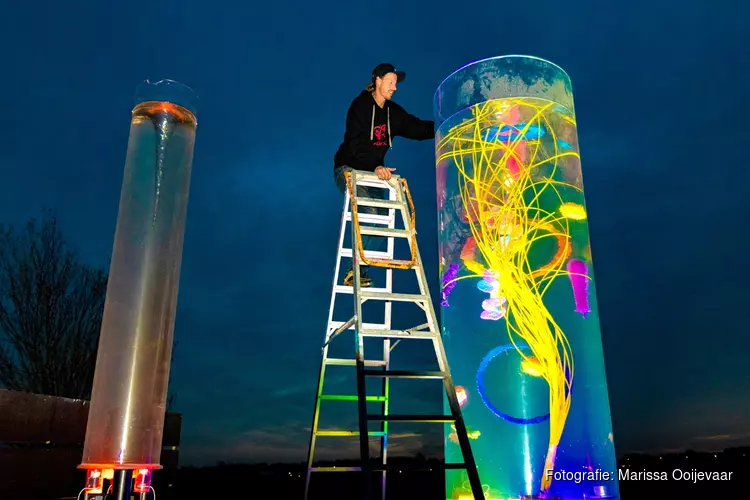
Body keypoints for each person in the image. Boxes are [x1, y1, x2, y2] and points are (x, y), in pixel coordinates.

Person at [333, 63, 435, 287]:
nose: (394, 87)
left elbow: (417, 128)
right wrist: (376, 165)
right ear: (377, 81)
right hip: (347, 168)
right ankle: (356, 269)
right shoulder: (359, 106)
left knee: (385, 217)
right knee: (372, 211)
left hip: (371, 173)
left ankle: (357, 269)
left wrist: (444, 126)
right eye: (391, 82)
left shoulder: (393, 113)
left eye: (396, 84)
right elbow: (355, 143)